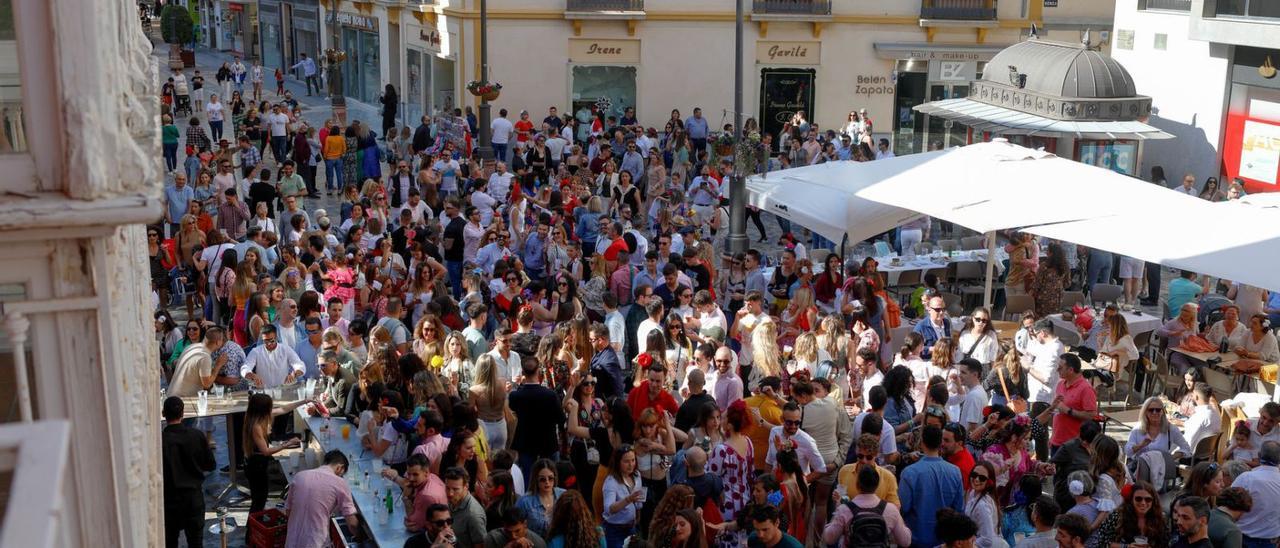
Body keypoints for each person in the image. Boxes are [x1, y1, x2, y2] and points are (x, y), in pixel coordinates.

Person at [899, 424, 965, 547]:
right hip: (943, 540)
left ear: (922, 442)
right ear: (940, 443)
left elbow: (904, 507)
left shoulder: (909, 473)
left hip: (916, 538)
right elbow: (959, 508)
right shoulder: (955, 471)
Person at [161, 397, 215, 548]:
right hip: (193, 499)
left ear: (163, 413)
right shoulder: (196, 435)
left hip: (169, 501)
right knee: (196, 543)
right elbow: (210, 464)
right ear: (183, 413)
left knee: (170, 542)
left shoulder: (159, 440)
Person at [284, 450, 360, 548]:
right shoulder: (340, 483)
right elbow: (352, 523)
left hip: (291, 542)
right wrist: (360, 538)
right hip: (316, 543)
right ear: (340, 467)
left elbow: (288, 511)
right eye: (341, 474)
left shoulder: (299, 476)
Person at [824, 463, 911, 547]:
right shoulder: (891, 510)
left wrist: (837, 509)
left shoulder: (844, 510)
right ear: (876, 485)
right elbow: (905, 541)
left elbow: (829, 538)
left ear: (857, 485)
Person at [1230, 440, 1280, 548]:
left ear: (1259, 455)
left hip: (1243, 538)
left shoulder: (1246, 478)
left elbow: (1227, 505)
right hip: (1270, 540)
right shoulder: (1247, 477)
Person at [1050, 353, 1097, 453]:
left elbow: (1091, 415)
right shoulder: (1061, 384)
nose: (1057, 370)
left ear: (1071, 370)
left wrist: (1068, 411)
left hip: (1073, 445)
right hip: (1057, 441)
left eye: (1060, 368)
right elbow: (1058, 412)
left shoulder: (1086, 389)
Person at [239, 324, 306, 388]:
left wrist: (294, 374)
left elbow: (300, 365)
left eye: (272, 340)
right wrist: (253, 375)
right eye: (265, 341)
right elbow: (245, 368)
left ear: (276, 337)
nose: (269, 344)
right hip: (263, 391)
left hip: (283, 390)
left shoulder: (285, 349)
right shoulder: (256, 351)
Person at [1127, 396, 1192, 458]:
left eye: (1158, 410)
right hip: (1141, 467)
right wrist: (1140, 446)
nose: (1154, 412)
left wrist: (1171, 457)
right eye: (1151, 410)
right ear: (1145, 412)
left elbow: (1187, 449)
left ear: (1162, 412)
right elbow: (1128, 452)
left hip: (1162, 468)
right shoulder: (1138, 429)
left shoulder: (1170, 429)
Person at [443, 466, 488, 548]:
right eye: (447, 488)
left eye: (455, 489)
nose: (450, 493)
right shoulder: (453, 500)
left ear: (466, 487)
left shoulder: (474, 515)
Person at [483, 506, 547, 548]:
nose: (513, 536)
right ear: (503, 525)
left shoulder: (538, 543)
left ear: (525, 524)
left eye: (517, 531)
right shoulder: (493, 539)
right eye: (508, 531)